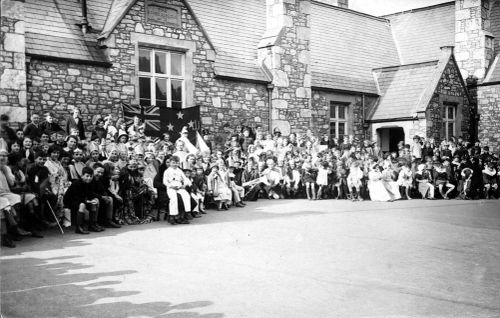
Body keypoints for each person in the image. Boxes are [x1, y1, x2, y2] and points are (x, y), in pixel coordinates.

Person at [63, 167, 99, 234]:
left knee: (95, 202)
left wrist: (96, 198)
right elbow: (76, 197)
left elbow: (90, 193)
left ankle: (92, 224)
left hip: (80, 200)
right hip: (70, 201)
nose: (89, 178)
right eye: (87, 176)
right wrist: (87, 201)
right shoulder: (76, 183)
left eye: (91, 176)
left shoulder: (89, 183)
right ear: (82, 176)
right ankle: (79, 227)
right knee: (82, 205)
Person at [163, 156, 192, 223]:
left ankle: (188, 212)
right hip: (171, 187)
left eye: (177, 163)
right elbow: (165, 181)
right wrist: (171, 186)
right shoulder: (167, 171)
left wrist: (184, 185)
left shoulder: (179, 170)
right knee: (173, 198)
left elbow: (185, 179)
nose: (175, 165)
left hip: (179, 186)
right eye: (173, 163)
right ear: (170, 163)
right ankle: (172, 216)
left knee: (186, 195)